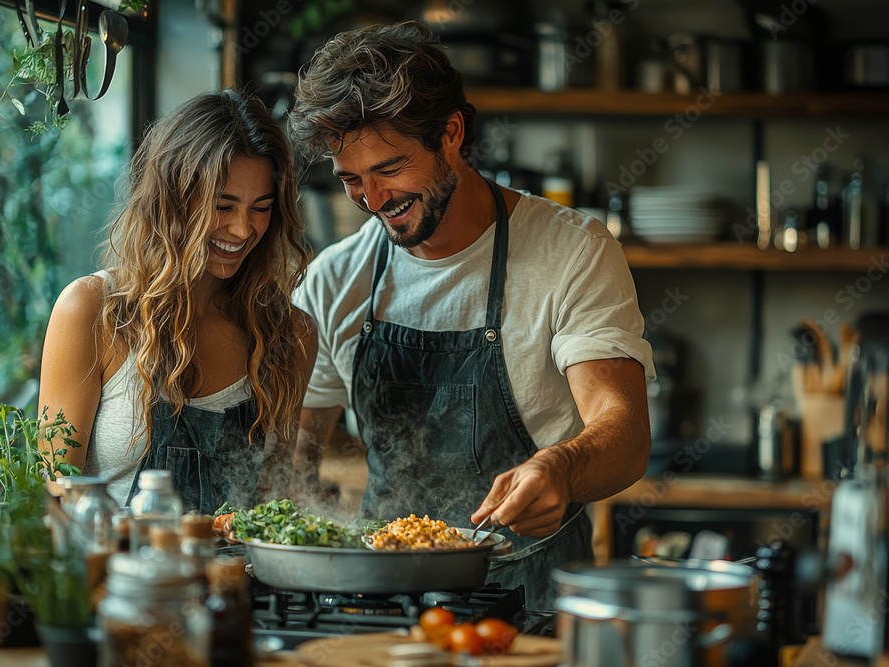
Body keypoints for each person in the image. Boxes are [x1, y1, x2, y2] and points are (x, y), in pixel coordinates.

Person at [287, 22, 655, 607]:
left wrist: (560, 467)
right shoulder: (334, 278)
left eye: (389, 168)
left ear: (451, 133)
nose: (372, 200)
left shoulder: (572, 250)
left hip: (531, 599)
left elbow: (627, 432)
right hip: (381, 602)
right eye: (352, 179)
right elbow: (295, 454)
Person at [37, 90, 317, 513]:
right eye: (223, 206)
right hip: (120, 575)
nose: (242, 230)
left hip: (238, 578)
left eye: (260, 208)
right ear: (173, 199)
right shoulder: (92, 311)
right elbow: (54, 501)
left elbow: (273, 508)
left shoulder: (291, 334)